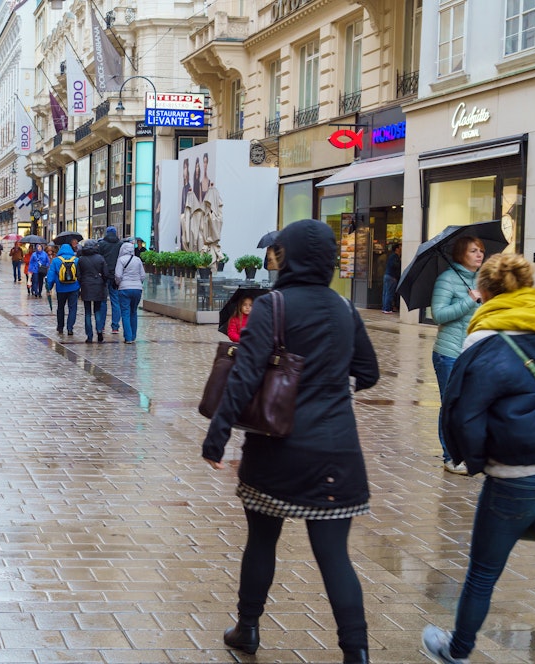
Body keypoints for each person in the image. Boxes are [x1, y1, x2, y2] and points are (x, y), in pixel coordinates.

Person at [201, 219, 379, 664]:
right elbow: (369, 372)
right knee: (335, 556)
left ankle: (248, 628)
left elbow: (244, 377)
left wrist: (217, 435)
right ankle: (356, 652)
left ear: (291, 256)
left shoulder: (272, 305)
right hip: (338, 450)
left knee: (261, 541)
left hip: (277, 450)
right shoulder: (344, 307)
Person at [421, 253, 535, 664]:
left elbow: (462, 416)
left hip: (514, 475)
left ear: (488, 292)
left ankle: (456, 650)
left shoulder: (482, 342)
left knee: (482, 573)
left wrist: (478, 462)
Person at [431, 235, 485, 475]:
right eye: (474, 251)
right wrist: (469, 300)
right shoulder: (447, 279)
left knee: (471, 404)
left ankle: (467, 452)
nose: (479, 255)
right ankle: (451, 456)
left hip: (473, 352)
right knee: (451, 405)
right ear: (462, 254)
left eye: (481, 251)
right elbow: (438, 315)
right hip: (449, 353)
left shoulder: (480, 280)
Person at [77, 239, 110, 343]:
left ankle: (89, 336)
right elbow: (106, 273)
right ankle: (99, 331)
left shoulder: (81, 259)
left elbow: (78, 275)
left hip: (86, 286)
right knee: (98, 310)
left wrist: (83, 282)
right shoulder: (100, 258)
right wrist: (103, 281)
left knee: (87, 312)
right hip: (98, 286)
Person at [46, 242, 81, 335]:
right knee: (72, 308)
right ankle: (70, 328)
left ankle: (60, 327)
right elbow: (80, 274)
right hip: (74, 287)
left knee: (60, 307)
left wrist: (49, 287)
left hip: (61, 288)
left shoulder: (56, 260)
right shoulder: (76, 260)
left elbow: (51, 275)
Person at [114, 242, 145, 344]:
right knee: (133, 312)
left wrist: (119, 284)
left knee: (125, 313)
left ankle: (128, 337)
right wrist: (138, 283)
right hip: (137, 289)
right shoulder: (138, 260)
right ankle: (133, 335)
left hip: (124, 288)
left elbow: (118, 275)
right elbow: (142, 275)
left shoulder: (121, 260)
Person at [97, 226, 124, 333]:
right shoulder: (120, 244)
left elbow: (98, 259)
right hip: (115, 276)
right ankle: (115, 326)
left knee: (103, 301)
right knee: (115, 301)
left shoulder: (102, 244)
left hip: (104, 276)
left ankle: (102, 325)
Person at [382, 244, 402, 313]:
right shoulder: (395, 256)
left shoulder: (392, 256)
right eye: (400, 247)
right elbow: (394, 265)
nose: (401, 248)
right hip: (391, 277)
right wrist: (400, 261)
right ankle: (387, 309)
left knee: (386, 293)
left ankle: (385, 308)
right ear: (397, 249)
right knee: (389, 293)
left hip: (387, 276)